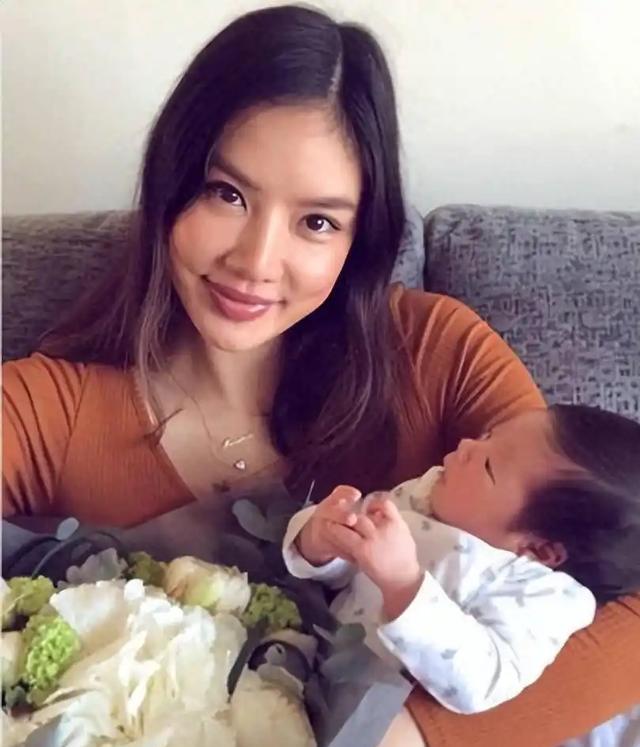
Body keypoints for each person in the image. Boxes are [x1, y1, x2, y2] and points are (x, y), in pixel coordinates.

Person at [2, 5, 638, 746]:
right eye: (228, 193)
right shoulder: (49, 408)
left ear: (358, 239)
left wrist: (401, 737)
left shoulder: (436, 351)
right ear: (171, 184)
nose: (256, 261)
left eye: (317, 222)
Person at [284, 404, 640, 715]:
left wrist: (404, 585)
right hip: (308, 650)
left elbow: (482, 680)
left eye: (488, 466)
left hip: (368, 713)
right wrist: (321, 543)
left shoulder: (541, 596)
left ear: (538, 551)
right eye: (488, 435)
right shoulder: (432, 492)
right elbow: (346, 568)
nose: (468, 445)